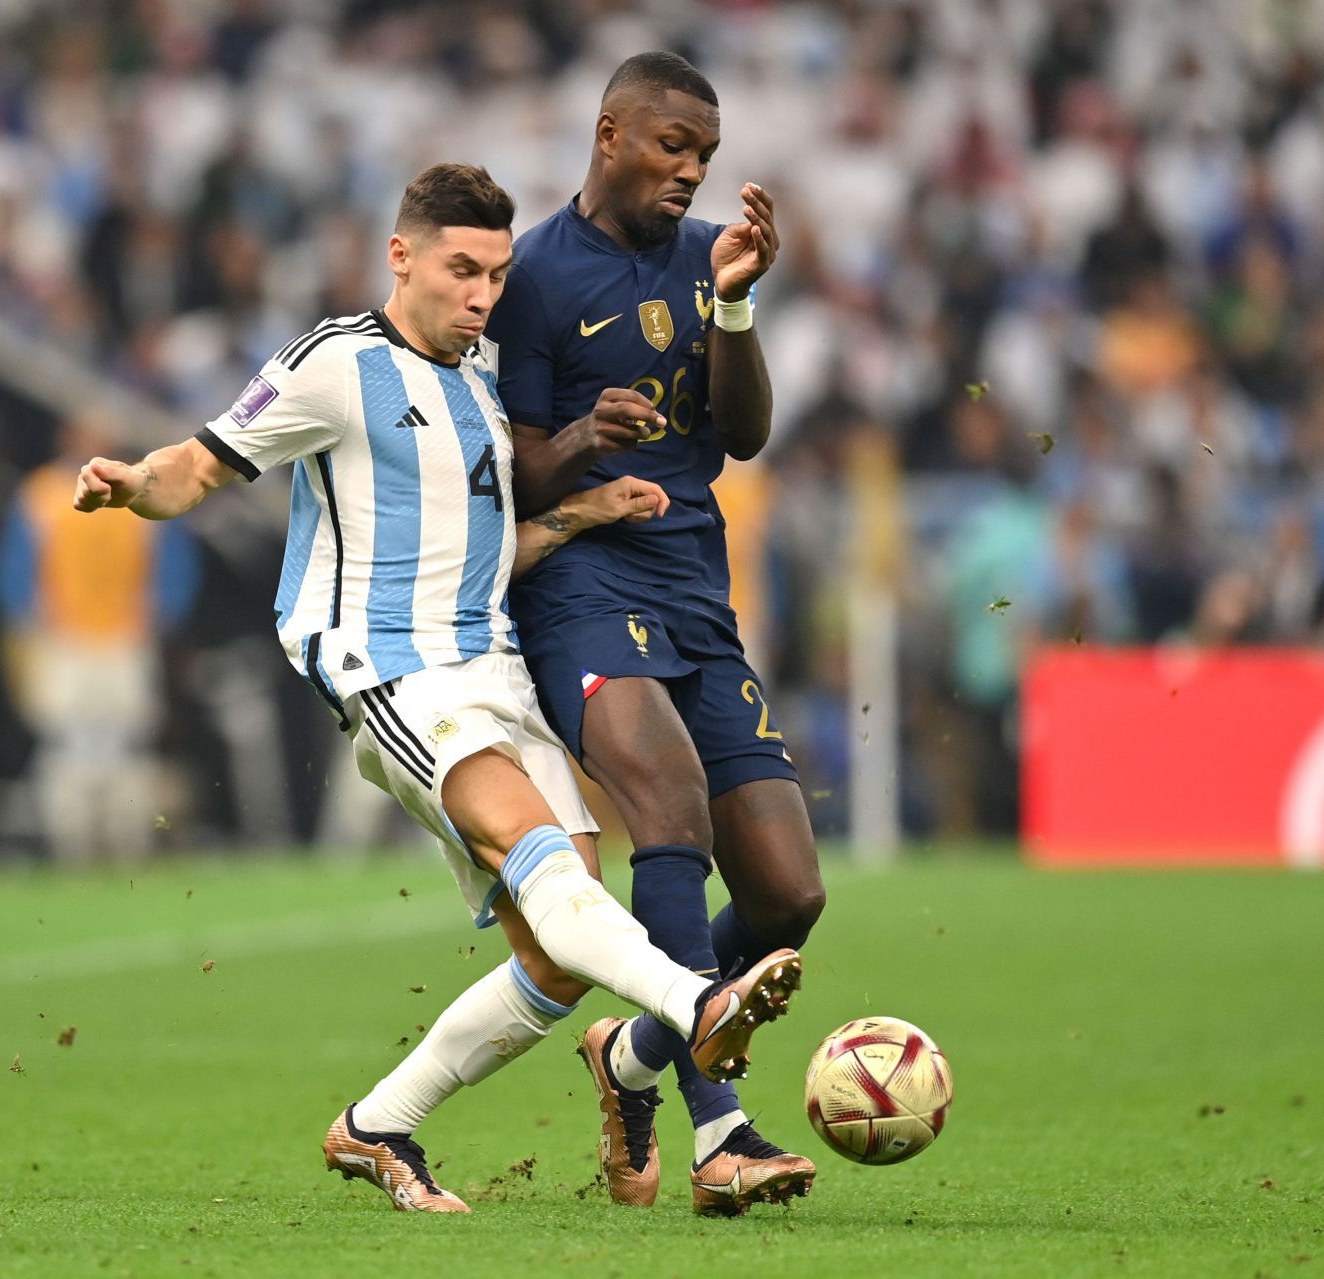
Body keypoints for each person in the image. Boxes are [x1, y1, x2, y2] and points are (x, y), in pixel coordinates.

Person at [71, 162, 803, 1214]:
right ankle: (699, 1006)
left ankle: (379, 1125)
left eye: (498, 275)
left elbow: (485, 550)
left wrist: (584, 517)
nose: (482, 296)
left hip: (492, 661)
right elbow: (202, 461)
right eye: (463, 270)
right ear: (401, 257)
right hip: (392, 669)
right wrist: (134, 484)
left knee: (561, 950)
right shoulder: (334, 363)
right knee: (547, 861)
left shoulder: (481, 386)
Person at [484, 51, 822, 1215]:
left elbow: (745, 435)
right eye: (674, 149)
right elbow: (512, 473)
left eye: (707, 159)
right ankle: (718, 1131)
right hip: (580, 580)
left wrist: (732, 301)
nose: (692, 174)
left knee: (787, 898)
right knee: (666, 807)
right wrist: (583, 438)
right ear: (610, 130)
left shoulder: (706, 253)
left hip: (693, 586)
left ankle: (632, 1051)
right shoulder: (532, 279)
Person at [0, 410, 198, 862]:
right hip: (64, 641)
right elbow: (12, 574)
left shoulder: (139, 484)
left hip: (125, 640)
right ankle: (74, 844)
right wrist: (33, 617)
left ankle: (127, 841)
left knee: (126, 741)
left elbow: (175, 563)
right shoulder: (42, 494)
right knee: (68, 743)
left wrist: (160, 611)